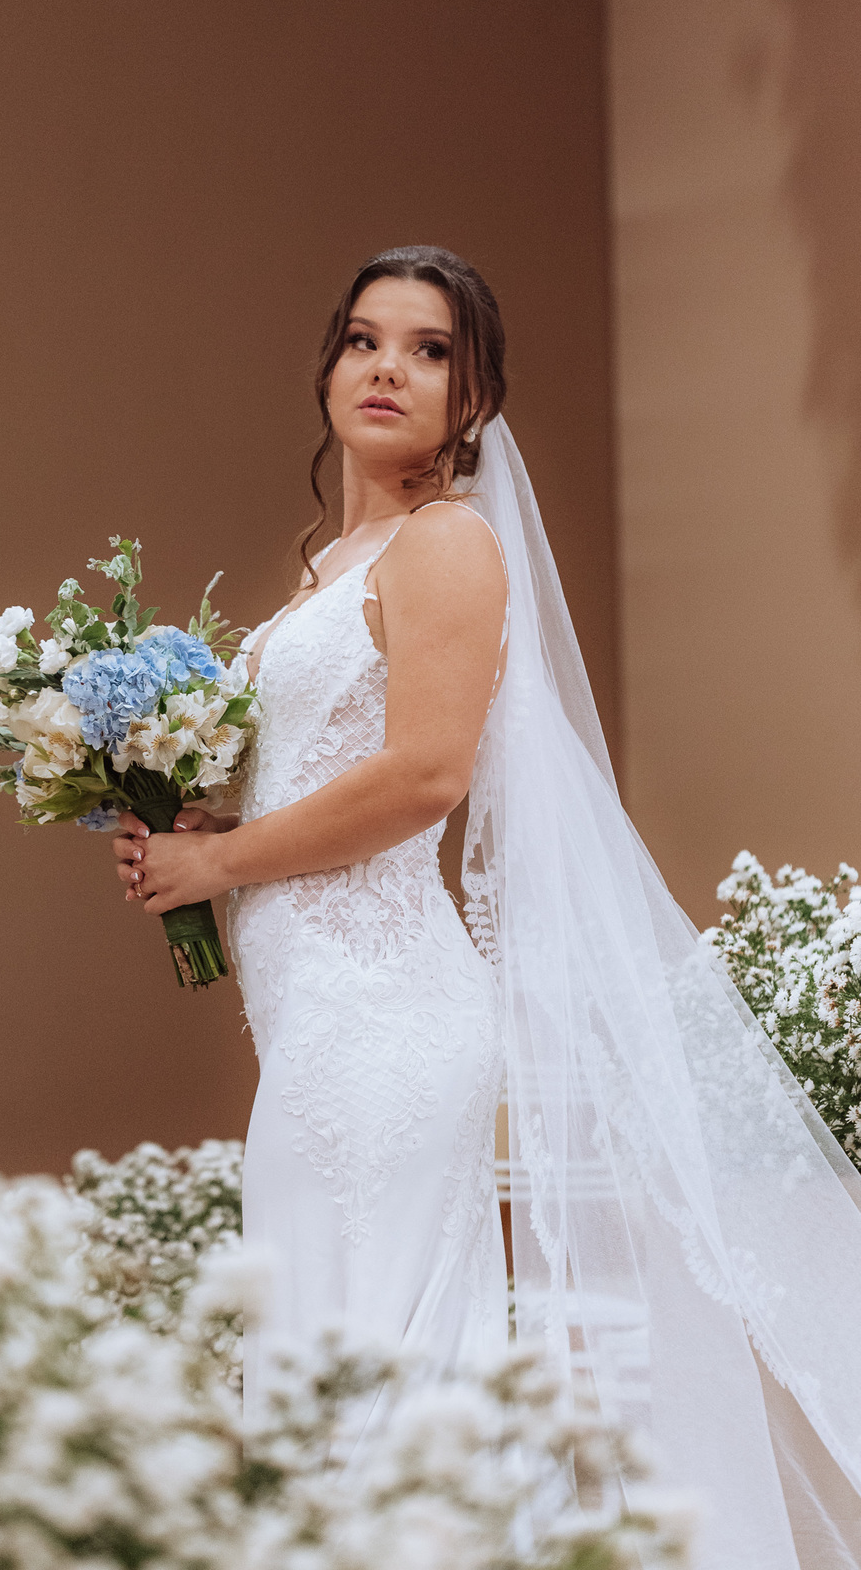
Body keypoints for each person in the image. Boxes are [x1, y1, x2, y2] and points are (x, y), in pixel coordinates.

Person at [110, 246, 861, 1568]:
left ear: (477, 400)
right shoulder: (330, 565)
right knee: (334, 1362)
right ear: (328, 369)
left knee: (376, 1369)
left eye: (430, 349)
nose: (387, 368)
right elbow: (322, 770)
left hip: (389, 1024)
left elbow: (424, 776)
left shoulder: (449, 545)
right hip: (318, 1023)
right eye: (363, 339)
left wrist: (220, 869)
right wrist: (194, 830)